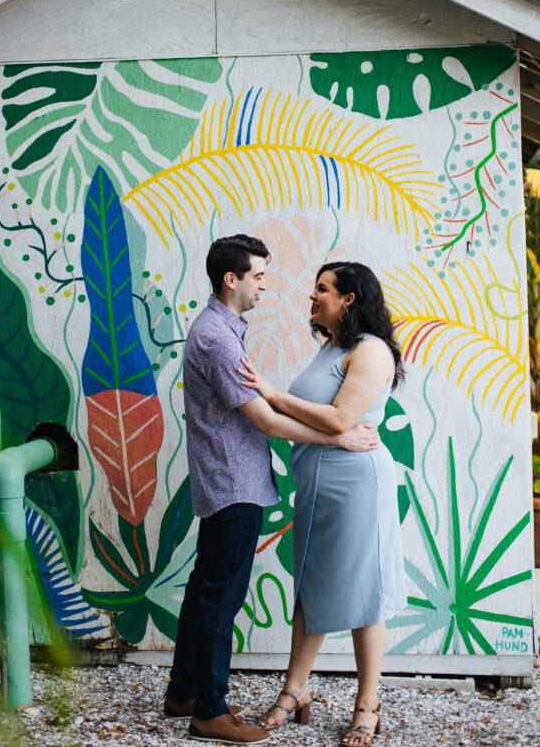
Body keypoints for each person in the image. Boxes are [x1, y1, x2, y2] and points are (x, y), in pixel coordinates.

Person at [164, 236, 380, 746]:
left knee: (203, 592)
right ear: (231, 280)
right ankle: (209, 713)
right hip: (233, 484)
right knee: (221, 598)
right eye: (259, 275)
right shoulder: (218, 337)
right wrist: (339, 435)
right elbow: (266, 420)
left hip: (230, 481)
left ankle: (184, 693)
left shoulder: (225, 330)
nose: (267, 284)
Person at [238, 261, 407, 747]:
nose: (312, 297)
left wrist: (269, 393)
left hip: (357, 486)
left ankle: (368, 705)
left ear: (348, 298)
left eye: (322, 290)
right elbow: (330, 424)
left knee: (362, 592)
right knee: (311, 581)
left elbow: (340, 418)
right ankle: (295, 691)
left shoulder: (371, 351)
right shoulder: (331, 348)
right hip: (316, 484)